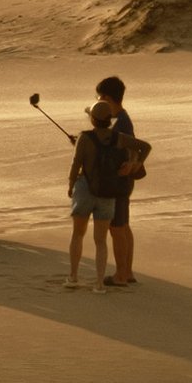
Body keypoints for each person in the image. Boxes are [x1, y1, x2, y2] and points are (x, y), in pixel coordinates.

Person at [66, 75, 141, 290]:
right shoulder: (121, 120)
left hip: (115, 183)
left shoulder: (122, 123)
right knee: (123, 226)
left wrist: (132, 164)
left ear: (107, 97)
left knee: (117, 228)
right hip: (119, 182)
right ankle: (127, 271)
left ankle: (121, 274)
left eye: (99, 97)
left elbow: (136, 148)